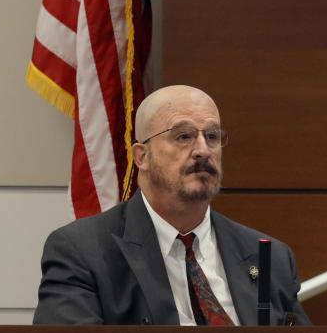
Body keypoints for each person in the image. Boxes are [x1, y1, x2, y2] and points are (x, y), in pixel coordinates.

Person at [33, 85, 311, 325]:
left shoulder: (268, 256)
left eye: (212, 136)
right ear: (142, 156)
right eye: (183, 136)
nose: (203, 149)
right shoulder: (82, 252)